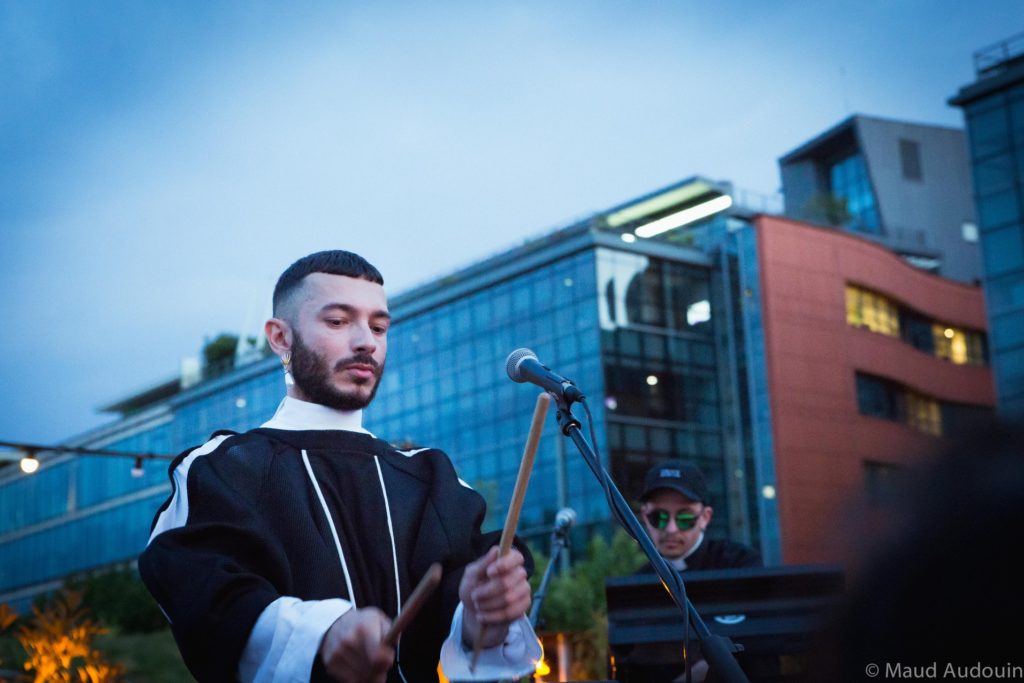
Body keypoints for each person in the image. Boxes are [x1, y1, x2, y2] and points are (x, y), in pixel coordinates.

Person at [139, 251, 540, 683]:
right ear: (280, 338)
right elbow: (200, 597)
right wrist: (323, 635)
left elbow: (467, 638)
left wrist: (485, 616)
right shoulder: (220, 470)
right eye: (338, 321)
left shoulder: (430, 480)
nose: (366, 340)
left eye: (379, 326)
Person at [638, 460, 761, 572]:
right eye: (658, 517)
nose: (671, 529)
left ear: (705, 517)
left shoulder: (740, 564)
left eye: (685, 518)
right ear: (645, 517)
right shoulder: (639, 580)